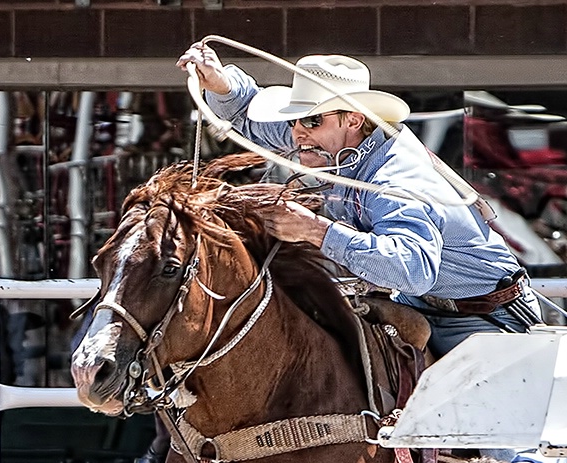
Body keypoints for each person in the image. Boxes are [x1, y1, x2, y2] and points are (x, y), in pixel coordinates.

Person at [177, 42, 543, 461]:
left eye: (310, 119)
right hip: (417, 303)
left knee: (500, 446)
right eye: (295, 119)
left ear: (353, 120)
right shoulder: (327, 140)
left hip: (476, 316)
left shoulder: (396, 181)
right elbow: (251, 113)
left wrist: (317, 231)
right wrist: (221, 81)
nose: (297, 131)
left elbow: (413, 269)